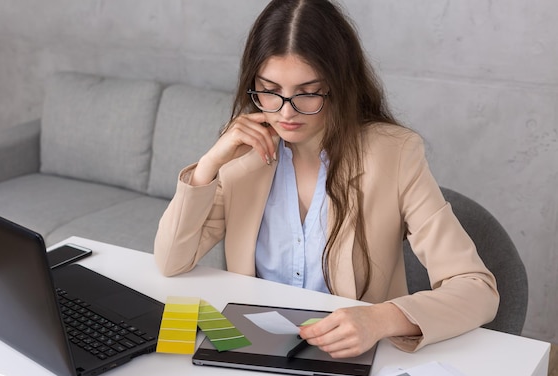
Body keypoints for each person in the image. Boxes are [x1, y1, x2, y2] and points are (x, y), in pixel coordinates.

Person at [154, 0, 499, 357]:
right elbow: (171, 261)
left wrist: (380, 319)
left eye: (308, 92)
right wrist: (209, 164)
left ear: (340, 85)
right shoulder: (243, 154)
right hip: (254, 344)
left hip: (349, 356)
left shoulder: (394, 154)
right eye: (269, 90)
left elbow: (476, 289)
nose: (286, 112)